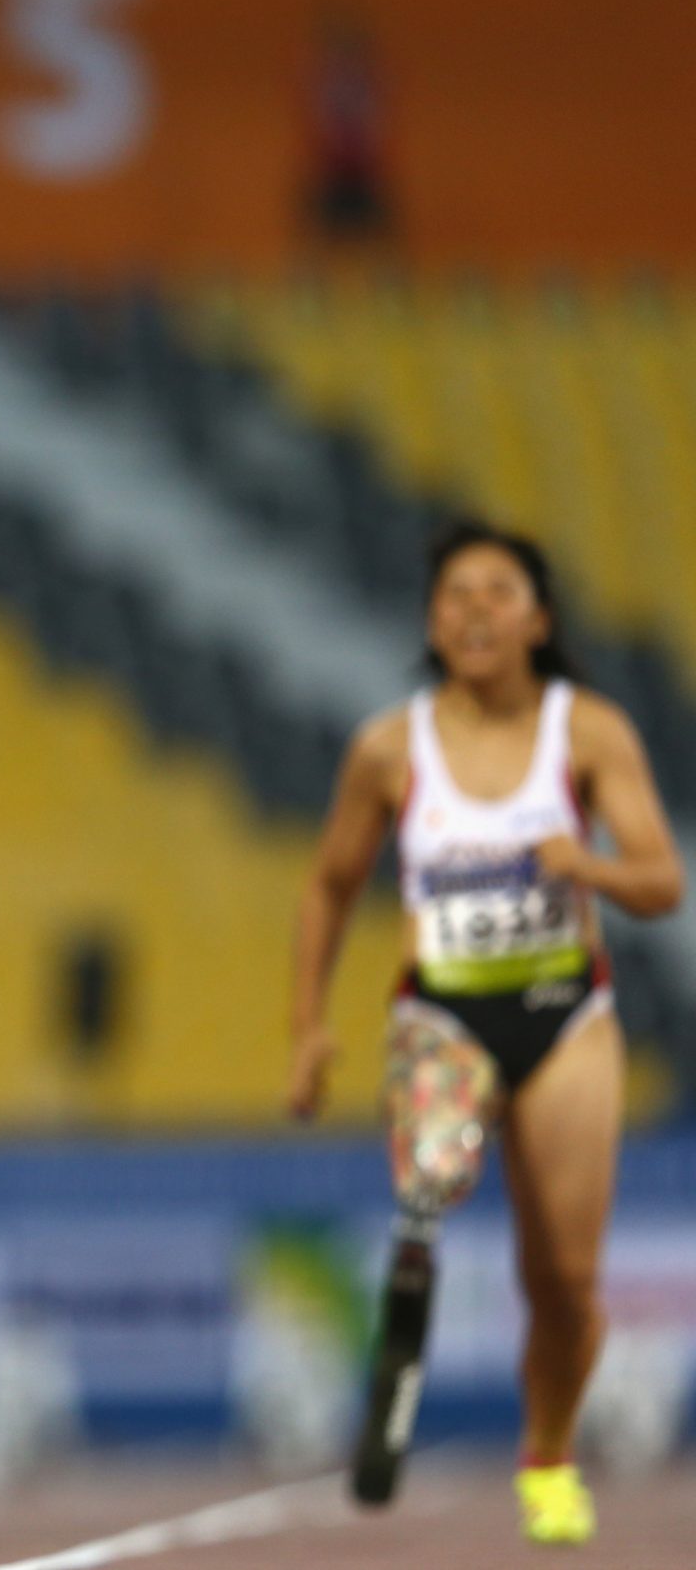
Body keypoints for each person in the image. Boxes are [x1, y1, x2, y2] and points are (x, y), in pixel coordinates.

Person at [289, 521, 683, 1545]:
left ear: (537, 619)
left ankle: (546, 1453)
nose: (473, 608)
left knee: (561, 1277)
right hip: (444, 1011)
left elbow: (660, 879)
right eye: (454, 593)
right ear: (431, 620)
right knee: (433, 1178)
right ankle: (420, 1221)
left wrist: (582, 865)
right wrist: (307, 1027)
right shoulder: (388, 747)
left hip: (565, 1013)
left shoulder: (586, 732)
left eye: (497, 591)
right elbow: (330, 883)